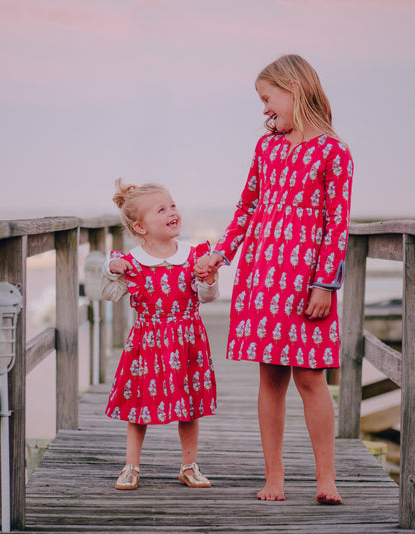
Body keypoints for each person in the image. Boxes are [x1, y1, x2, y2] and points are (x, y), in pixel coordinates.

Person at [195, 54, 353, 505]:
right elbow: (247, 208)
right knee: (271, 377)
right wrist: (220, 255)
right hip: (264, 275)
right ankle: (275, 475)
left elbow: (336, 225)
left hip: (307, 282)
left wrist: (325, 284)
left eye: (268, 99)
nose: (264, 109)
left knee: (311, 377)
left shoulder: (333, 152)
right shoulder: (267, 149)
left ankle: (327, 478)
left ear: (294, 89)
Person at [102, 178, 219, 491]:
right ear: (141, 227)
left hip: (187, 339)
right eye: (161, 209)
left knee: (190, 404)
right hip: (148, 341)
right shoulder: (132, 262)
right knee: (140, 405)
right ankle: (131, 466)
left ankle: (189, 465)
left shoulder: (194, 255)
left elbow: (208, 297)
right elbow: (109, 292)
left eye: (173, 205)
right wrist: (111, 267)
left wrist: (208, 277)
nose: (172, 212)